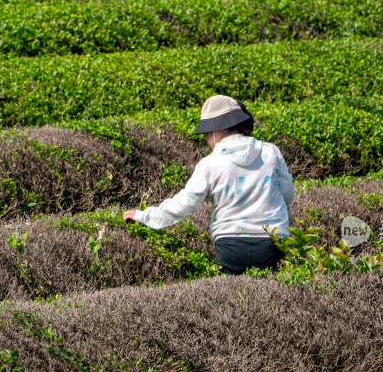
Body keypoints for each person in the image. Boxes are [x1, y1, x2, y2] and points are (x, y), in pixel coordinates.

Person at [122, 95, 295, 275]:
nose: (206, 138)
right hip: (272, 242)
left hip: (230, 245)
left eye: (206, 133)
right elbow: (287, 193)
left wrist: (144, 216)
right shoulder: (271, 152)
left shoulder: (209, 164)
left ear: (218, 130)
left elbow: (184, 204)